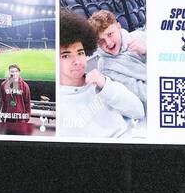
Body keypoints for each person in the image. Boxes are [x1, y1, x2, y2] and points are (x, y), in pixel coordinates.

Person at [57, 9, 144, 140]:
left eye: (80, 52)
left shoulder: (102, 81)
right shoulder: (58, 105)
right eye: (66, 55)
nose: (77, 61)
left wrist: (105, 85)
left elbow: (138, 111)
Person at [89, 9, 147, 106]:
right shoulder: (106, 68)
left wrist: (147, 52)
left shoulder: (139, 36)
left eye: (110, 34)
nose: (108, 43)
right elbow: (143, 93)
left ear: (119, 27)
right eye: (101, 41)